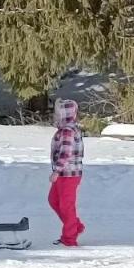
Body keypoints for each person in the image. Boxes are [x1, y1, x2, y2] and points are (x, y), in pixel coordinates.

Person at [49, 98, 85, 247]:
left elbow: (66, 153)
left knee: (66, 206)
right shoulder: (65, 129)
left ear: (66, 114)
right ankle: (75, 226)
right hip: (64, 174)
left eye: (58, 114)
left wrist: (57, 170)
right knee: (54, 200)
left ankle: (69, 238)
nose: (55, 116)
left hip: (69, 174)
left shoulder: (67, 131)